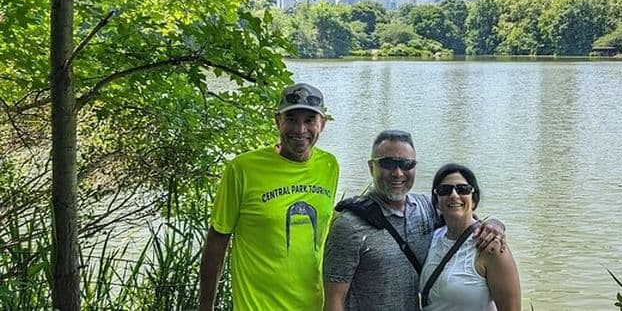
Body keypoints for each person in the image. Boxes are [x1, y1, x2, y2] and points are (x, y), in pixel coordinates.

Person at [323, 130, 505, 311]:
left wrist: (496, 225)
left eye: (406, 164)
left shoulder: (425, 208)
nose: (398, 173)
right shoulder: (349, 226)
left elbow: (461, 220)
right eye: (387, 163)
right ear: (371, 167)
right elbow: (334, 299)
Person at [199, 82, 339, 310]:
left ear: (322, 124)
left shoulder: (329, 166)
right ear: (277, 120)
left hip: (313, 304)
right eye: (291, 118)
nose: (300, 130)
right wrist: (206, 307)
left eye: (309, 120)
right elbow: (217, 239)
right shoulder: (242, 169)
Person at [419, 163, 521, 311]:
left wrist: (496, 224)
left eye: (463, 189)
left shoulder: (490, 245)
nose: (454, 195)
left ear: (473, 199)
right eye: (445, 190)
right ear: (437, 202)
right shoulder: (431, 238)